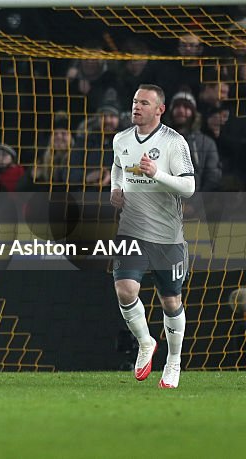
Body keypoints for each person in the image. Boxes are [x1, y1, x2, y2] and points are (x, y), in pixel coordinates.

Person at [110, 84, 196, 389]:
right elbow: (118, 167)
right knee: (124, 290)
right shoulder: (121, 139)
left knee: (171, 301)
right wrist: (115, 189)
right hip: (131, 229)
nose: (137, 107)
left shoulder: (174, 142)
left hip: (167, 235)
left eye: (144, 103)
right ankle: (146, 342)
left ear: (160, 109)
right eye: (134, 101)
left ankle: (174, 361)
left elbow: (188, 187)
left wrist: (156, 173)